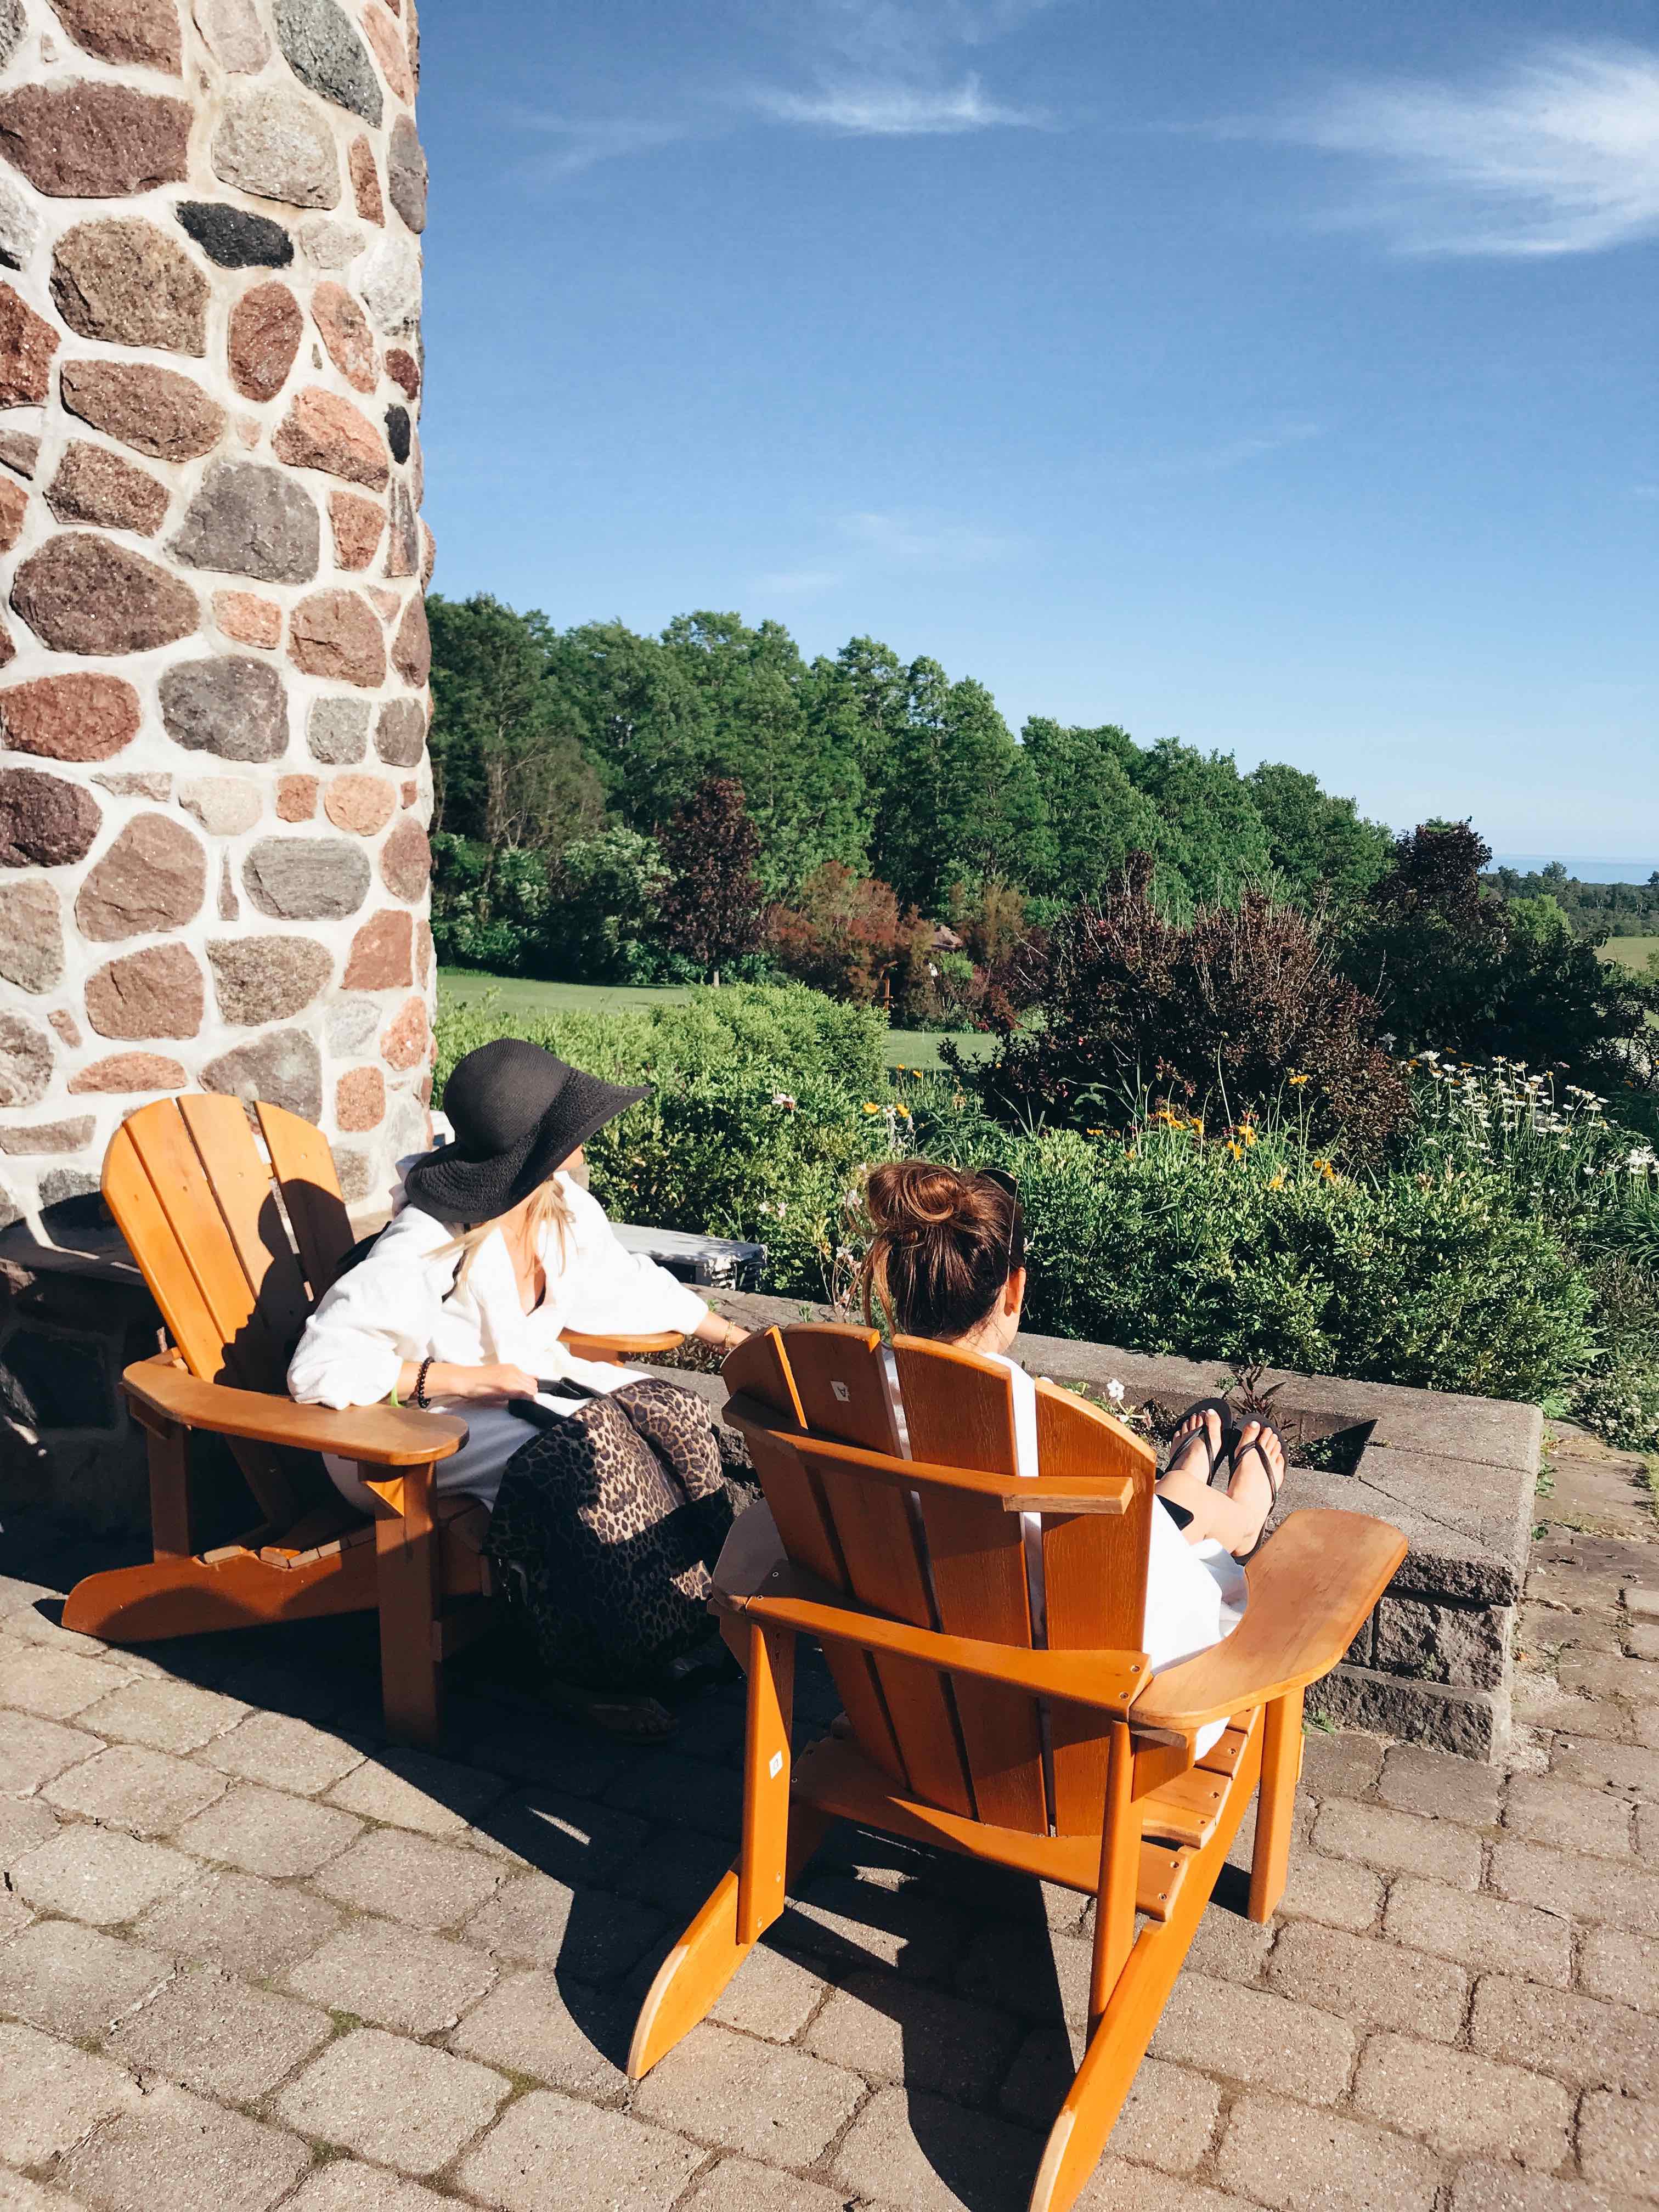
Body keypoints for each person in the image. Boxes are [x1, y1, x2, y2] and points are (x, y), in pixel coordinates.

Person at [715, 1160, 1284, 1765]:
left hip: (907, 1715)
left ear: (898, 1285)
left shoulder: (836, 1408)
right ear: (1013, 1290)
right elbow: (1156, 1603)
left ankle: (1191, 1477)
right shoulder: (1053, 1432)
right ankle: (1239, 1512)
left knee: (1161, 1509)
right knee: (1178, 1529)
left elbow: (746, 1560)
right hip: (1067, 1752)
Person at [289, 1038, 752, 1734]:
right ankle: (584, 1668)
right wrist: (458, 1377)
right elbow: (319, 1367)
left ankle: (696, 1623)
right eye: (571, 1131)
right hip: (403, 1427)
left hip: (515, 1396)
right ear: (537, 1150)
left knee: (673, 1412)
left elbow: (626, 1286)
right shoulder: (425, 1240)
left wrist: (733, 1340)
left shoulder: (556, 1205)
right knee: (591, 1461)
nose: (586, 1142)